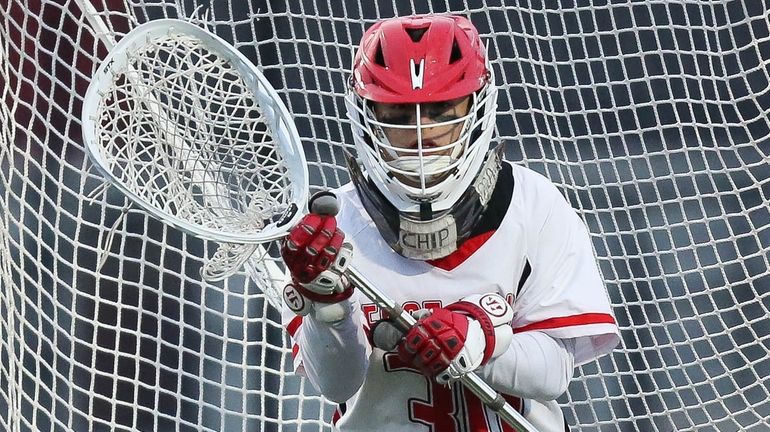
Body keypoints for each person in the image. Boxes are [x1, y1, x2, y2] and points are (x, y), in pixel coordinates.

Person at [280, 14, 620, 432]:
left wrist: (479, 338)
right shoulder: (332, 229)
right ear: (365, 115)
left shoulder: (534, 204)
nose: (423, 133)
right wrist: (327, 309)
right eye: (399, 115)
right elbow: (335, 384)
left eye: (441, 109)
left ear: (478, 106)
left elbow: (553, 373)